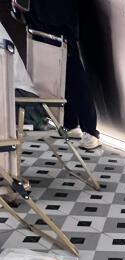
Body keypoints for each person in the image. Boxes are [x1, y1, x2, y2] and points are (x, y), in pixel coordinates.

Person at [20, 0, 102, 150]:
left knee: (71, 69)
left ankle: (90, 129)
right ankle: (70, 123)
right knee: (55, 66)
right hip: (37, 10)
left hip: (59, 12)